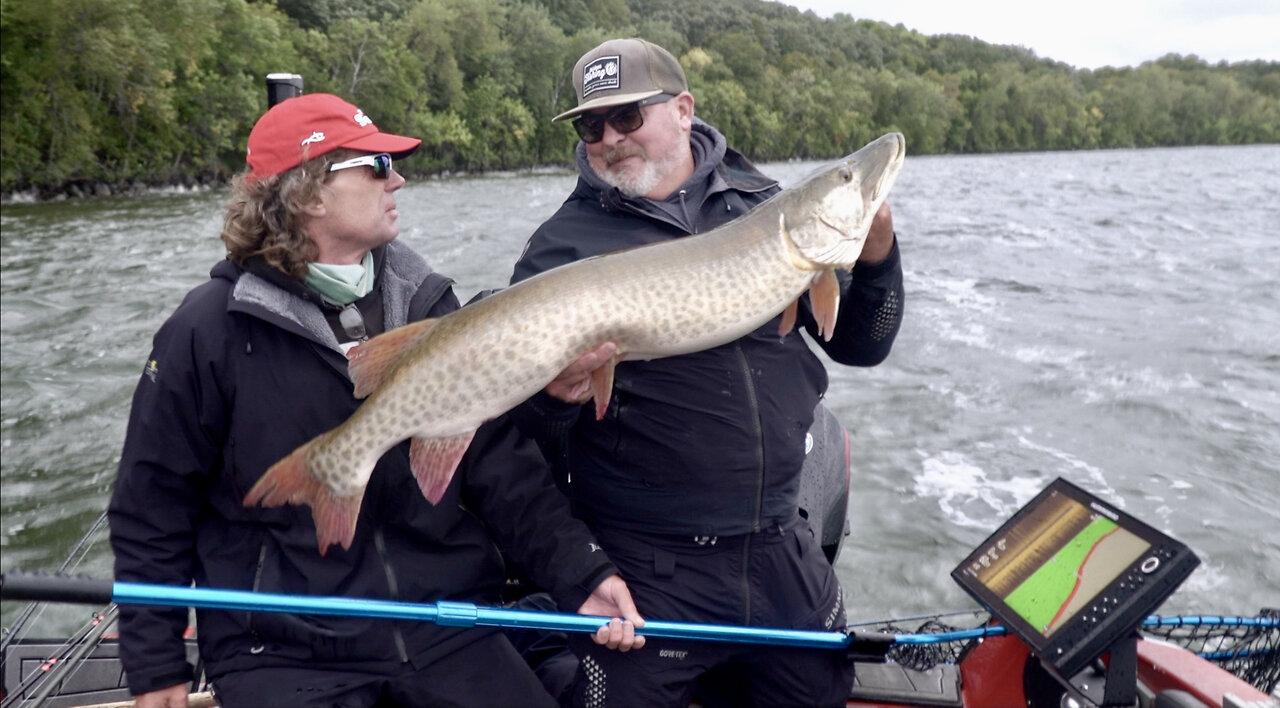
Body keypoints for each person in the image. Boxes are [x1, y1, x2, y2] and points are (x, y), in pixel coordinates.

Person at [108, 92, 644, 708]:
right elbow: (151, 508)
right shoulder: (205, 331)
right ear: (309, 193)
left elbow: (501, 468)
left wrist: (582, 573)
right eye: (378, 166)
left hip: (444, 628)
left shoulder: (427, 303)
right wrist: (155, 667)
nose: (401, 179)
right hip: (281, 653)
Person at [509, 39, 905, 708]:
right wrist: (553, 397)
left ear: (683, 109)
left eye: (628, 117)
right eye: (591, 125)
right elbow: (522, 442)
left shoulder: (766, 208)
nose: (608, 139)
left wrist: (878, 254)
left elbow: (863, 345)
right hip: (647, 563)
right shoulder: (561, 249)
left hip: (778, 547)